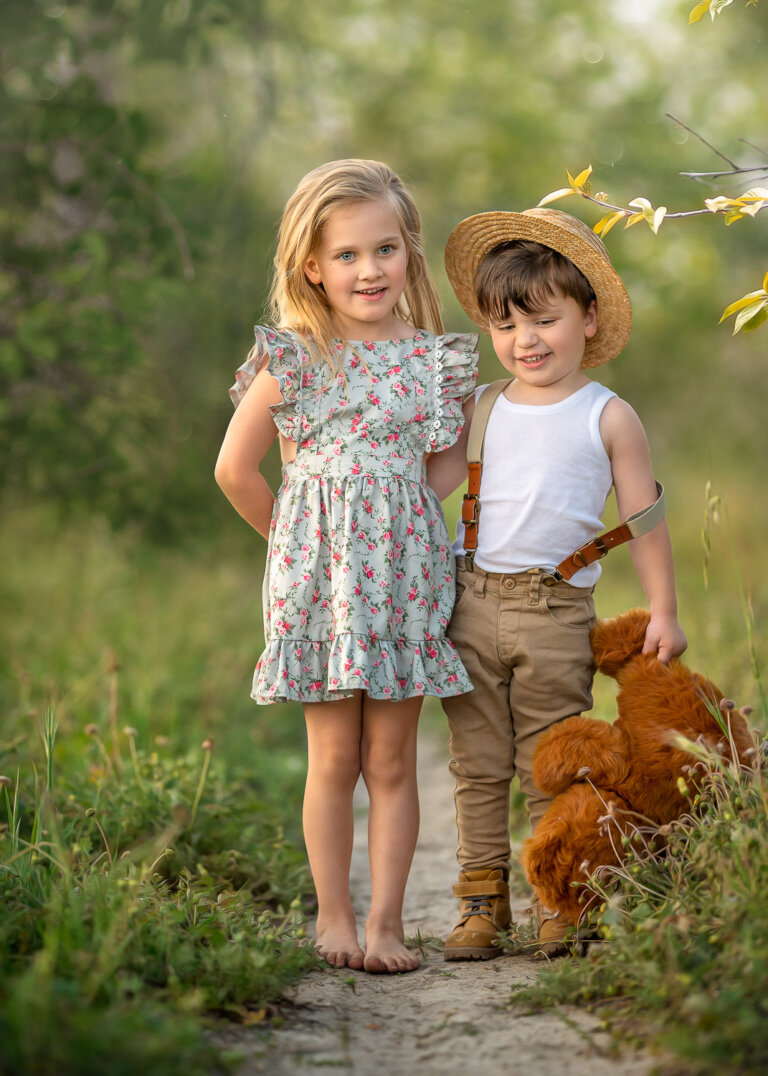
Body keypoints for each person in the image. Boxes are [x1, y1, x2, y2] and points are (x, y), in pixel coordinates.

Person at [215, 159, 478, 974]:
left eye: (386, 250)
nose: (369, 270)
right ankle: (334, 916)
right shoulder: (294, 357)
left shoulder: (436, 362)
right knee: (333, 759)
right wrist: (297, 543)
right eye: (347, 256)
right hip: (318, 589)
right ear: (311, 266)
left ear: (410, 253)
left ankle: (388, 926)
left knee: (392, 761)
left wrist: (395, 521)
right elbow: (236, 470)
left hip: (401, 582)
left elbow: (444, 470)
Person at [427, 207, 687, 960]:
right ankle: (481, 902)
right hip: (470, 603)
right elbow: (429, 487)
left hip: (556, 610)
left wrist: (662, 610)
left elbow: (645, 517)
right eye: (505, 326)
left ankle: (559, 895)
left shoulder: (607, 416)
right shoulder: (480, 409)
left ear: (588, 317)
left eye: (543, 320)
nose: (525, 341)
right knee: (476, 763)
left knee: (553, 762)